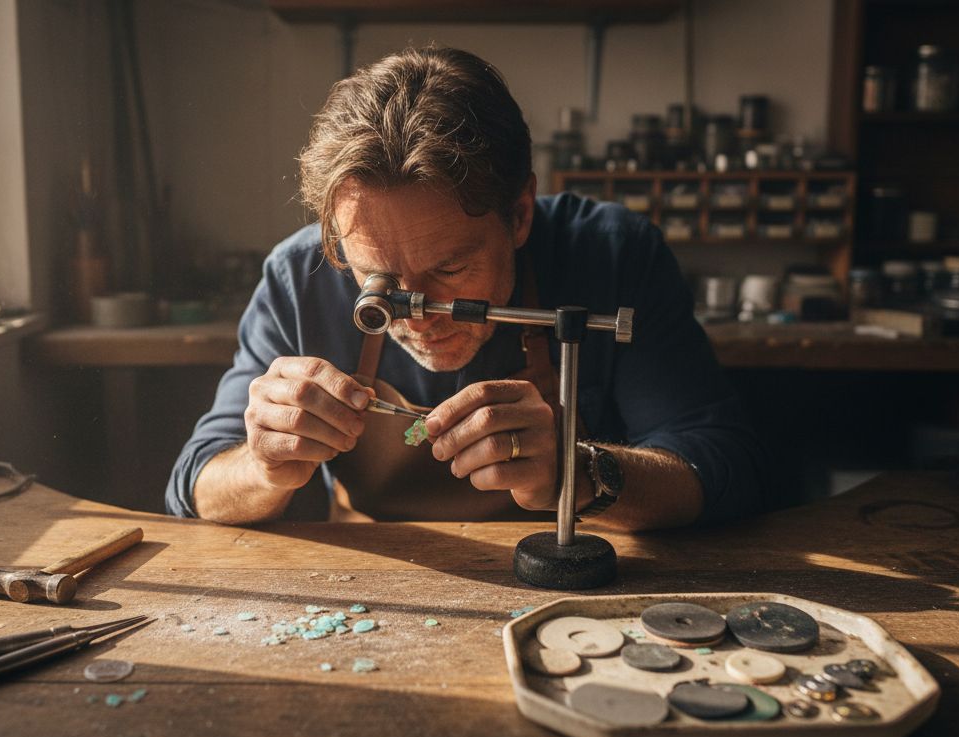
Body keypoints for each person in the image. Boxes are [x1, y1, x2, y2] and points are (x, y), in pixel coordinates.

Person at [166, 46, 766, 530]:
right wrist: (261, 466)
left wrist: (579, 472)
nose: (416, 316)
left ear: (521, 213)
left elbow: (724, 465)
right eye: (378, 281)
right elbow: (193, 486)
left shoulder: (611, 254)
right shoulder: (300, 278)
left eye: (449, 271)